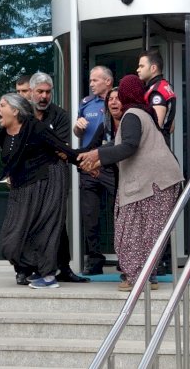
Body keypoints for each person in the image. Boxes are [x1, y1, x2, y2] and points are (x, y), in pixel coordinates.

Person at [78, 75, 184, 291]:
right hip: (160, 182)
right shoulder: (142, 113)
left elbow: (129, 146)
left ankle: (137, 278)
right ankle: (148, 277)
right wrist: (96, 155)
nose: (115, 100)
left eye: (120, 94)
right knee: (145, 234)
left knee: (133, 232)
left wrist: (97, 154)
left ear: (127, 94)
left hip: (153, 183)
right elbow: (120, 145)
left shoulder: (132, 115)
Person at [0, 93, 80, 289]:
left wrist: (89, 163)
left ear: (15, 111)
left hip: (49, 179)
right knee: (11, 238)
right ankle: (33, 267)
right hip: (24, 185)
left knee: (45, 227)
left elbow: (62, 148)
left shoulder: (36, 128)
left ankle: (48, 276)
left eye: (2, 105)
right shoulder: (5, 133)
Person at [29, 72, 89, 283]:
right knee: (32, 222)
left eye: (48, 92)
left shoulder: (60, 115)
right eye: (40, 92)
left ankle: (63, 267)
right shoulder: (22, 113)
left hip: (55, 177)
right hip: (29, 178)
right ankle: (30, 269)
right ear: (31, 92)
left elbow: (61, 149)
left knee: (57, 222)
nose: (44, 96)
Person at [74, 66, 115, 275]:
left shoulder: (117, 100)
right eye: (90, 80)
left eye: (95, 80)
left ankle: (127, 255)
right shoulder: (86, 103)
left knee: (122, 210)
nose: (91, 84)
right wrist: (78, 127)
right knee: (90, 214)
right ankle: (95, 259)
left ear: (108, 81)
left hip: (112, 163)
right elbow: (76, 130)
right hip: (88, 165)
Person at [136, 49, 176, 145]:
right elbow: (171, 127)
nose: (138, 70)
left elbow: (155, 125)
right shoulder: (164, 86)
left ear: (153, 68)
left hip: (155, 147)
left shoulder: (156, 91)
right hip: (161, 145)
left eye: (142, 66)